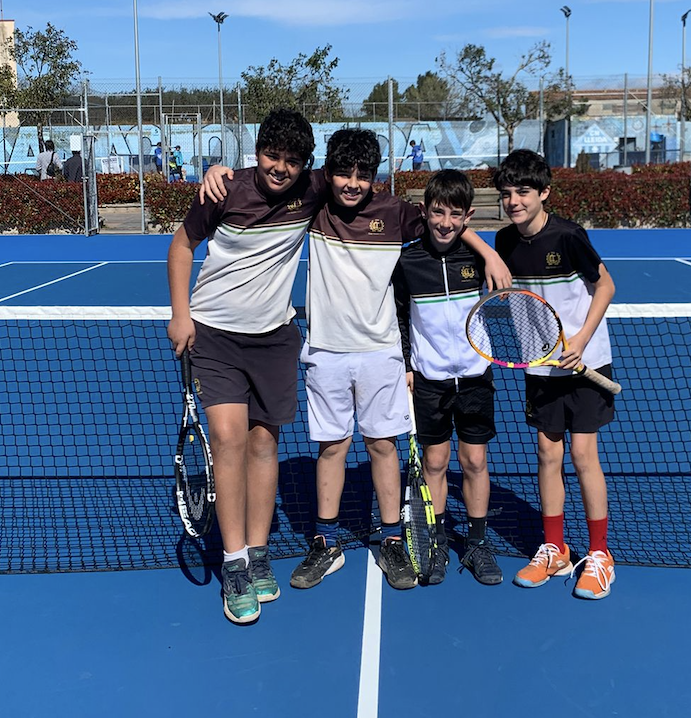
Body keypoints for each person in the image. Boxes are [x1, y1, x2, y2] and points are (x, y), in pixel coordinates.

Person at [200, 130, 510, 593]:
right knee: (332, 448)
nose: (352, 183)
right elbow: (270, 179)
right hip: (325, 352)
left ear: (375, 177)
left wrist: (487, 251)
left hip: (381, 353)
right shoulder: (315, 204)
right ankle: (325, 542)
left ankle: (391, 540)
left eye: (363, 175)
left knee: (382, 446)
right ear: (329, 173)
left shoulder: (395, 212)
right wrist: (219, 172)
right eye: (343, 173)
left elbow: (444, 218)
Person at [167, 109, 326, 624]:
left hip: (275, 339)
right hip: (214, 335)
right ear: (256, 153)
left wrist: (482, 247)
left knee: (263, 444)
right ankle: (233, 561)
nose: (280, 168)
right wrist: (180, 314)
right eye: (271, 156)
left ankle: (258, 553)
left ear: (306, 165)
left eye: (292, 161)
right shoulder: (225, 190)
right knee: (228, 439)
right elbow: (182, 246)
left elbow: (368, 189)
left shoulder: (314, 190)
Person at [493, 149, 618, 600]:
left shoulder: (568, 236)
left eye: (523, 192)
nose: (514, 201)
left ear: (544, 193)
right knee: (548, 453)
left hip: (584, 362)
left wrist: (581, 338)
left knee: (583, 455)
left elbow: (605, 285)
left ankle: (600, 554)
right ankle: (556, 549)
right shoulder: (504, 242)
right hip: (540, 365)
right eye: (507, 193)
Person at [393, 169, 503, 586]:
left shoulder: (477, 258)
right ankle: (437, 543)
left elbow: (504, 273)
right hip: (430, 379)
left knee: (474, 460)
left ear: (468, 217)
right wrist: (407, 365)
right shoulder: (408, 261)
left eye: (456, 215)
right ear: (425, 212)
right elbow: (399, 317)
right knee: (435, 462)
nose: (445, 222)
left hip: (475, 377)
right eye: (438, 212)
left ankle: (477, 543)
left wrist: (489, 252)